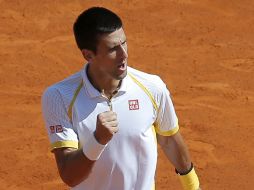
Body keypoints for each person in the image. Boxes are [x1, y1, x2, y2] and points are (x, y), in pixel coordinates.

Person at [42, 7, 201, 190]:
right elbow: (70, 176)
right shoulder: (59, 97)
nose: (124, 54)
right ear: (88, 55)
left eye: (124, 43)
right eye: (112, 49)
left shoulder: (152, 87)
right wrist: (98, 140)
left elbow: (169, 140)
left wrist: (193, 186)